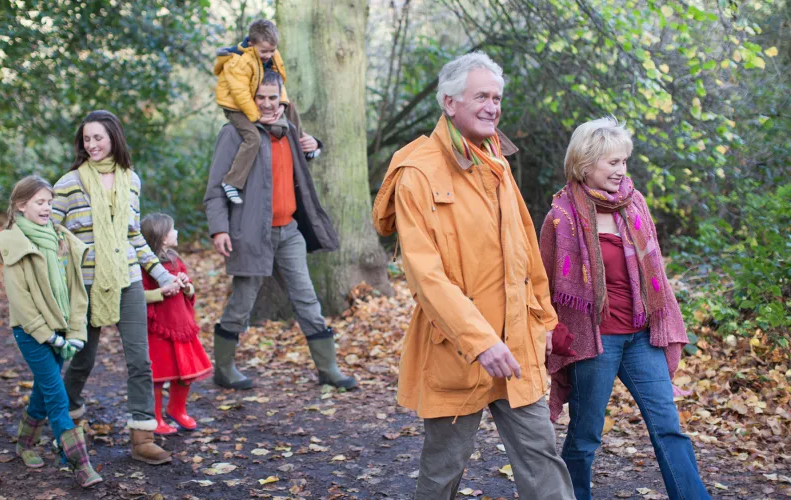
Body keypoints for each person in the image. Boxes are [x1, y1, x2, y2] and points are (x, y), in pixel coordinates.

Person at [372, 52, 575, 500]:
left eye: (497, 98)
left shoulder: (496, 158)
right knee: (443, 469)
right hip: (458, 350)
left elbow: (525, 249)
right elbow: (426, 278)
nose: (492, 107)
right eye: (481, 96)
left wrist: (544, 320)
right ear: (449, 102)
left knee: (542, 460)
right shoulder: (417, 172)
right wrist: (481, 341)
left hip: (516, 344)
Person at [539, 116, 709, 500]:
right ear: (585, 165)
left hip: (642, 337)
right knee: (585, 435)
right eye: (612, 162)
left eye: (624, 161)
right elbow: (542, 283)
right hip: (595, 342)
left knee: (668, 427)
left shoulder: (635, 205)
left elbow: (656, 273)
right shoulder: (561, 218)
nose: (621, 170)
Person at [204, 70, 356, 391]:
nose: (267, 104)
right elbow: (217, 187)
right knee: (242, 303)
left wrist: (315, 146)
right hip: (250, 234)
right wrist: (219, 229)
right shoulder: (235, 134)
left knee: (307, 299)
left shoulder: (288, 129)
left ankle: (328, 369)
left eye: (273, 97)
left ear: (282, 99)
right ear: (249, 99)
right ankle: (224, 370)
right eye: (260, 97)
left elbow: (296, 163)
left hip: (289, 233)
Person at [51, 110, 176, 465]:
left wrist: (161, 275)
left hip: (127, 279)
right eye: (86, 139)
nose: (92, 144)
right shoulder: (68, 183)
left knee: (140, 361)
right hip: (86, 285)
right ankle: (66, 422)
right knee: (82, 360)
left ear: (113, 138)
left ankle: (142, 437)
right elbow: (51, 233)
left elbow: (133, 234)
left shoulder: (130, 180)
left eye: (98, 138)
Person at [0, 175, 102, 487]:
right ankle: (79, 464)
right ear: (21, 205)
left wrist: (74, 333)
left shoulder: (60, 239)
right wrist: (49, 336)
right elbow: (21, 299)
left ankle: (25, 442)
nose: (47, 208)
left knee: (45, 389)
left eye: (49, 202)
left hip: (60, 330)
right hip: (30, 332)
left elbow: (76, 292)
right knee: (57, 395)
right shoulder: (14, 242)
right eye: (39, 202)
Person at [213, 19, 320, 204]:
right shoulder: (238, 62)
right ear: (251, 44)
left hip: (252, 100)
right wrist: (257, 117)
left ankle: (303, 145)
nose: (269, 55)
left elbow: (279, 81)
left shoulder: (271, 54)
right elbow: (240, 95)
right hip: (235, 106)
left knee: (291, 107)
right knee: (253, 138)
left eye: (272, 50)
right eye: (264, 51)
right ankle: (231, 182)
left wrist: (282, 104)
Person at [140, 213, 213, 435]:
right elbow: (138, 295)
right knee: (158, 375)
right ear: (163, 237)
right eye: (173, 230)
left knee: (186, 371)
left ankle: (177, 409)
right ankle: (155, 418)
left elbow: (190, 290)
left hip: (181, 325)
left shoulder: (175, 260)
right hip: (159, 327)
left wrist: (186, 286)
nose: (177, 232)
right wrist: (161, 291)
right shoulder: (145, 266)